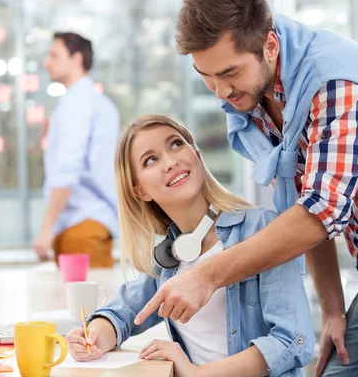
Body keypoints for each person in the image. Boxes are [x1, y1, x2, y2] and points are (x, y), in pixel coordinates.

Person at [133, 0, 358, 377]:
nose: (221, 93)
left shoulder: (333, 81)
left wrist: (207, 276)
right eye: (206, 76)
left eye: (229, 73)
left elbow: (320, 212)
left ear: (270, 47)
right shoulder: (253, 98)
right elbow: (301, 200)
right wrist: (332, 311)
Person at [65, 115, 314, 377]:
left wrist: (198, 373)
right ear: (140, 191)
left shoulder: (261, 228)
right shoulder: (169, 259)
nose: (171, 162)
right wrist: (95, 339)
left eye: (176, 144)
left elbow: (293, 341)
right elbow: (124, 310)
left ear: (196, 155)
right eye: (151, 160)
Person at [34, 32, 120, 268]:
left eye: (54, 55)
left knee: (86, 305)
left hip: (81, 224)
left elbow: (68, 169)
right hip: (88, 222)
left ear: (77, 59)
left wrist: (46, 228)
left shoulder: (77, 103)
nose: (46, 62)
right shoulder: (96, 102)